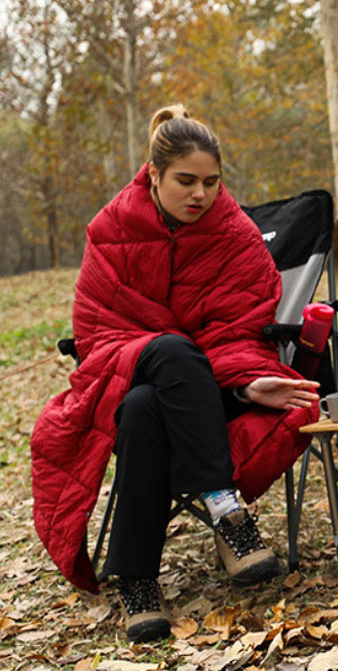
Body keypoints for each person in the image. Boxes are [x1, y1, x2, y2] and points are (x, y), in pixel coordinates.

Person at [31, 106, 320, 642]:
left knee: (144, 408)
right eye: (185, 181)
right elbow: (98, 331)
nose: (200, 195)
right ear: (153, 174)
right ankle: (224, 508)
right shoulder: (112, 228)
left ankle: (137, 580)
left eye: (211, 182)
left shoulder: (236, 234)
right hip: (130, 364)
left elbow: (241, 326)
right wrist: (169, 349)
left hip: (216, 386)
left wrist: (245, 383)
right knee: (166, 356)